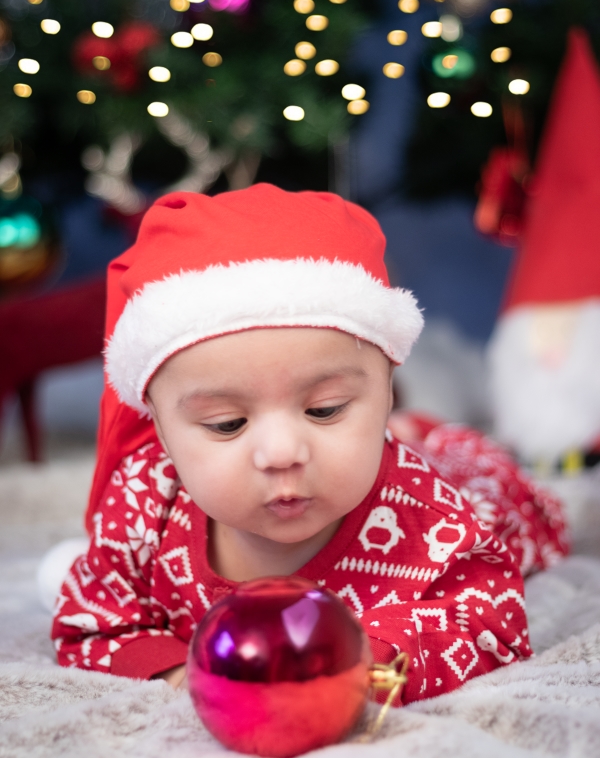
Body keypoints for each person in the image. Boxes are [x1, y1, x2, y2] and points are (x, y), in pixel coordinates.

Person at [51, 185, 569, 703]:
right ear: (161, 431)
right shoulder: (143, 507)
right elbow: (90, 621)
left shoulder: (431, 519)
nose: (282, 453)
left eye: (324, 410)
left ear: (386, 391)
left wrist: (370, 665)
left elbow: (489, 621)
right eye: (227, 423)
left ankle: (424, 433)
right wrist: (180, 677)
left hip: (453, 485)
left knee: (492, 485)